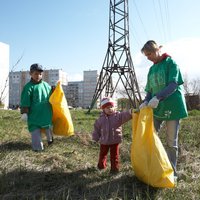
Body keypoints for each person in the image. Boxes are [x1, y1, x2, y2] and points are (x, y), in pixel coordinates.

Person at [139, 40, 188, 180]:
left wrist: (158, 97)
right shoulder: (152, 69)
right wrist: (146, 101)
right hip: (157, 107)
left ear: (157, 50)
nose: (148, 57)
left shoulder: (171, 63)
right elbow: (149, 90)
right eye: (146, 55)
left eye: (149, 54)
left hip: (172, 106)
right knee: (150, 136)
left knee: (171, 142)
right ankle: (154, 167)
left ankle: (172, 173)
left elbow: (173, 85)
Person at [92, 97, 132, 174]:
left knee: (115, 156)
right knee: (102, 155)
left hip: (115, 141)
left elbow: (125, 115)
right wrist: (95, 138)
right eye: (107, 108)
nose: (110, 109)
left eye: (111, 107)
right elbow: (96, 130)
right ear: (103, 109)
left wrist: (131, 112)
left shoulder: (117, 116)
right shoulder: (100, 120)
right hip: (104, 141)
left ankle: (115, 169)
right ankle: (101, 166)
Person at [20, 63, 54, 152]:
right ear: (30, 74)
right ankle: (38, 149)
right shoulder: (28, 87)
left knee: (48, 129)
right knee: (35, 132)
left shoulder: (46, 85)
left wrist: (55, 90)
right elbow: (25, 100)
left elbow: (52, 97)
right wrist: (24, 112)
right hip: (34, 116)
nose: (38, 76)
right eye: (36, 74)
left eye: (40, 74)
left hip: (46, 113)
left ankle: (50, 142)